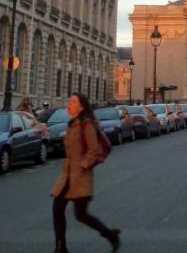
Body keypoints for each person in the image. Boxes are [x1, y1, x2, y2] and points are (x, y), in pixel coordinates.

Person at [51, 93, 121, 253]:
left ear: (81, 106)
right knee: (58, 208)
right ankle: (60, 247)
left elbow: (94, 149)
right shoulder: (72, 124)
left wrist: (83, 165)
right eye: (69, 101)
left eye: (73, 102)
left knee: (81, 214)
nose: (70, 104)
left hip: (81, 176)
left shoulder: (86, 124)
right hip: (68, 175)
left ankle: (110, 235)